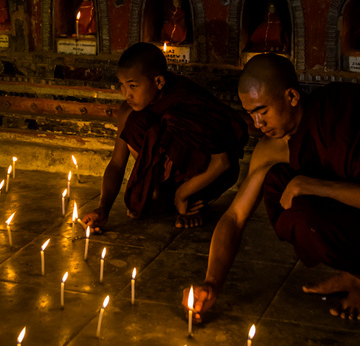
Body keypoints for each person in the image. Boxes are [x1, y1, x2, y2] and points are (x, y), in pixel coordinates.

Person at [182, 54, 360, 322]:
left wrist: (310, 184)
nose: (257, 124)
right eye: (250, 114)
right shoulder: (270, 149)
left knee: (306, 211)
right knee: (284, 191)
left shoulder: (341, 115)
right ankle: (356, 270)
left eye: (262, 111)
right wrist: (212, 282)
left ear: (292, 97)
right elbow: (235, 217)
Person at [81, 43, 247, 230]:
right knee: (135, 124)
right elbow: (117, 164)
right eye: (122, 85)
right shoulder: (128, 111)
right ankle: (161, 197)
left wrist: (183, 193)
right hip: (172, 177)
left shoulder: (185, 99)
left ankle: (193, 202)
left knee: (171, 120)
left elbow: (223, 161)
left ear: (159, 82)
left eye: (133, 86)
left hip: (213, 175)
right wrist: (103, 208)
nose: (126, 95)